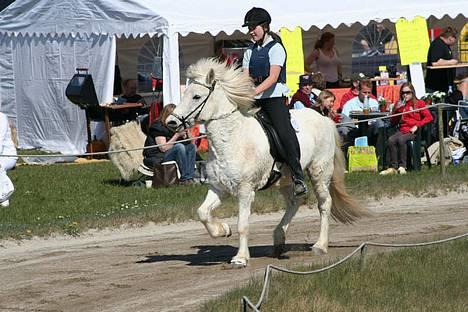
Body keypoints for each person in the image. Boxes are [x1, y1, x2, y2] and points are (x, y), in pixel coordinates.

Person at [241, 7, 307, 197]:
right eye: (249, 28)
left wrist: (254, 91)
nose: (251, 31)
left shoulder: (276, 48)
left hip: (273, 97)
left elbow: (272, 78)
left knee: (283, 131)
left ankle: (298, 177)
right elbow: (246, 77)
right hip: (254, 97)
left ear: (265, 26)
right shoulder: (249, 51)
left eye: (254, 27)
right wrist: (244, 93)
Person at [380, 83, 433, 175]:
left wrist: (417, 125)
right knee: (391, 140)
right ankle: (394, 167)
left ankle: (402, 166)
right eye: (403, 93)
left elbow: (429, 117)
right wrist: (396, 110)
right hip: (402, 129)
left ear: (412, 93)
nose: (405, 95)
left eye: (408, 92)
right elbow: (393, 122)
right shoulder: (399, 104)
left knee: (401, 140)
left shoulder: (419, 103)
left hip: (414, 131)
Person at [142, 104, 196, 184]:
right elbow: (163, 148)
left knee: (191, 147)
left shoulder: (174, 126)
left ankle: (190, 177)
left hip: (168, 154)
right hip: (157, 157)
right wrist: (177, 135)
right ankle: (185, 179)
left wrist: (188, 134)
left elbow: (192, 144)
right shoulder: (158, 126)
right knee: (179, 147)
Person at [425, 26, 458, 93]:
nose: (455, 41)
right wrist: (451, 62)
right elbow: (435, 62)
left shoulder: (445, 45)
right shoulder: (437, 44)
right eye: (455, 39)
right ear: (450, 38)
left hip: (443, 84)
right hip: (435, 85)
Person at [0, 112, 17, 207]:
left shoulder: (1, 118)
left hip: (7, 155)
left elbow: (0, 140)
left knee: (0, 165)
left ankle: (4, 194)